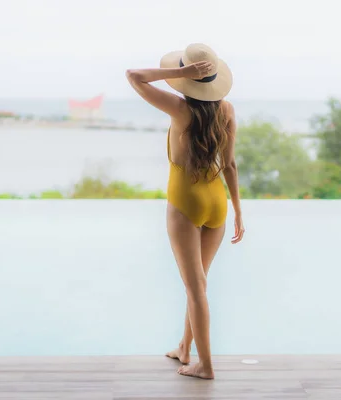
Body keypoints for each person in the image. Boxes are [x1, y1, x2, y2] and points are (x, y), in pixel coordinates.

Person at [126, 43, 245, 380]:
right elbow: (231, 164)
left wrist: (180, 73)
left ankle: (205, 366)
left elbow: (134, 76)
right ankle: (184, 348)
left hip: (186, 204)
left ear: (192, 78)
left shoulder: (179, 109)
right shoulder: (228, 110)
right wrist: (237, 210)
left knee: (195, 289)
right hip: (217, 204)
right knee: (200, 286)